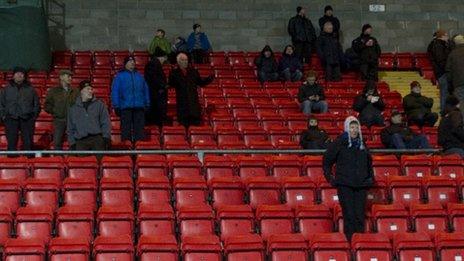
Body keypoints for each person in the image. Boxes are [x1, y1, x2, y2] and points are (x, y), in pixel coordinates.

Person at [323, 116, 374, 241]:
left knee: (359, 216)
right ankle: (351, 243)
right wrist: (330, 178)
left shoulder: (363, 144)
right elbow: (327, 161)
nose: (354, 130)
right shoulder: (339, 143)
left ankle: (359, 243)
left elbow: (369, 163)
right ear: (347, 128)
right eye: (352, 127)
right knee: (349, 215)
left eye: (356, 127)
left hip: (361, 185)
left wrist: (370, 178)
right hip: (345, 184)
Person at [168, 53, 214, 128]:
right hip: (182, 107)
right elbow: (170, 84)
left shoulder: (194, 72)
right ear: (178, 61)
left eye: (186, 60)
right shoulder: (174, 73)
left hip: (194, 107)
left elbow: (201, 83)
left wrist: (209, 79)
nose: (185, 62)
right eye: (183, 60)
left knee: (196, 128)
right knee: (183, 128)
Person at [111, 56, 150, 142]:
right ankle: (127, 149)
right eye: (130, 61)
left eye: (133, 61)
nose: (132, 63)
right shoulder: (119, 76)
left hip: (139, 107)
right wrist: (116, 106)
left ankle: (139, 151)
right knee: (125, 131)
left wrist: (147, 103)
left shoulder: (140, 76)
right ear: (125, 64)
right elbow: (115, 92)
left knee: (139, 131)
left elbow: (145, 90)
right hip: (125, 108)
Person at [0, 67, 40, 151]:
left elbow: (36, 104)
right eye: (17, 73)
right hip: (10, 119)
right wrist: (3, 116)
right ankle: (12, 162)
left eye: (21, 74)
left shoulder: (31, 89)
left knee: (28, 143)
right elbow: (1, 104)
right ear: (13, 76)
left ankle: (28, 162)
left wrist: (33, 117)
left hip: (27, 119)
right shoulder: (6, 89)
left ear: (24, 76)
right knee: (11, 143)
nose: (19, 75)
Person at [67, 80, 111, 151]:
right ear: (81, 91)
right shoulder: (73, 109)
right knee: (83, 162)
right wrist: (72, 143)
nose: (90, 91)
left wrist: (106, 137)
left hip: (97, 140)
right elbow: (70, 128)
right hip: (81, 141)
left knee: (99, 161)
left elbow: (105, 122)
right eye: (88, 89)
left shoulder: (99, 105)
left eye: (91, 89)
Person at [45, 69, 80, 150]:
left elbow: (79, 104)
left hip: (72, 120)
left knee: (73, 142)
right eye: (68, 76)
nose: (70, 78)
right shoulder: (53, 91)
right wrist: (55, 112)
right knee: (57, 142)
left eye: (71, 77)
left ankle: (72, 159)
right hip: (59, 120)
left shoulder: (75, 91)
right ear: (61, 77)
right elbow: (47, 105)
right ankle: (58, 159)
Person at [427, 29, 451, 114]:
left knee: (444, 92)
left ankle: (444, 109)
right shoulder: (439, 45)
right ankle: (444, 110)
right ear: (442, 36)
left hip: (439, 72)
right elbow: (441, 60)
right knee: (444, 92)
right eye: (446, 35)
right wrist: (447, 69)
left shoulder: (436, 45)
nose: (448, 37)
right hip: (442, 72)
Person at [144, 50, 168, 127]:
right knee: (156, 120)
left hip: (155, 96)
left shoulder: (152, 64)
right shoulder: (154, 64)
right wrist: (163, 85)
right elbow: (154, 79)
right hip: (156, 97)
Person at [446, 34, 464, 116]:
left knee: (460, 105)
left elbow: (448, 71)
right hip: (458, 84)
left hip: (458, 83)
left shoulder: (452, 54)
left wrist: (450, 85)